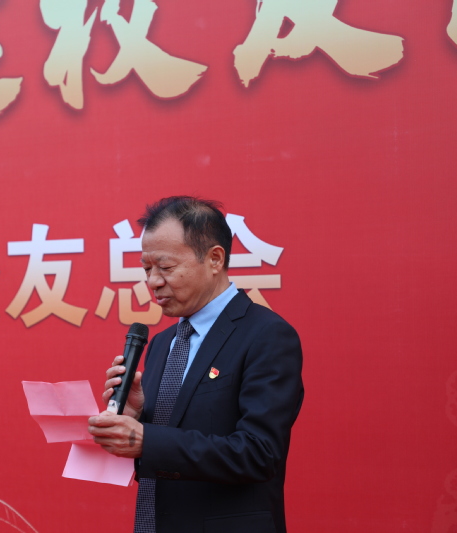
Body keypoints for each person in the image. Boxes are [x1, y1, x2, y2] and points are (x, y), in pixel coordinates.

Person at [88, 196, 303, 533]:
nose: (153, 281)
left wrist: (147, 439)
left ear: (215, 259)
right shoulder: (162, 343)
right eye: (146, 269)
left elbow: (259, 454)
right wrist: (138, 416)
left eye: (165, 267)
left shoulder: (266, 335)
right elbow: (173, 437)